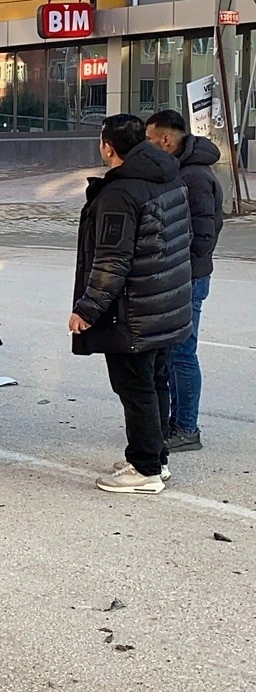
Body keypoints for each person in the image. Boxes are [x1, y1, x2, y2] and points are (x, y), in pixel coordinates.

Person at [70, 115, 193, 495]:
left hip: (134, 310)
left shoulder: (120, 193)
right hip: (165, 302)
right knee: (155, 383)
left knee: (136, 388)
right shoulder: (169, 174)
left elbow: (112, 260)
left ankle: (144, 470)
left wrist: (87, 309)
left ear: (108, 147)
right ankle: (155, 458)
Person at [145, 109, 223, 453]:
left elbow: (205, 233)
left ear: (166, 139)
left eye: (148, 140)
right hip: (179, 277)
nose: (145, 147)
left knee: (182, 353)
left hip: (189, 278)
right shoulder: (179, 169)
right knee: (174, 351)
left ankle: (186, 427)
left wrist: (183, 272)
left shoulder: (194, 176)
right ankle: (175, 422)